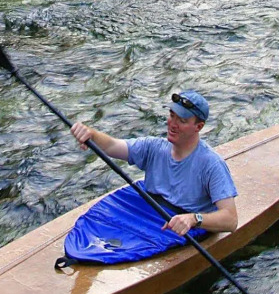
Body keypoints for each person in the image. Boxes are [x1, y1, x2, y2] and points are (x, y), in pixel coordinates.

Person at [70, 88, 238, 237]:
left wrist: (194, 219)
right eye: (172, 115)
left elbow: (230, 220)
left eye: (182, 120)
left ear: (198, 127)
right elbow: (112, 146)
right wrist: (91, 135)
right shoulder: (154, 147)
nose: (172, 124)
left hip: (184, 228)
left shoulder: (211, 165)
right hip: (151, 216)